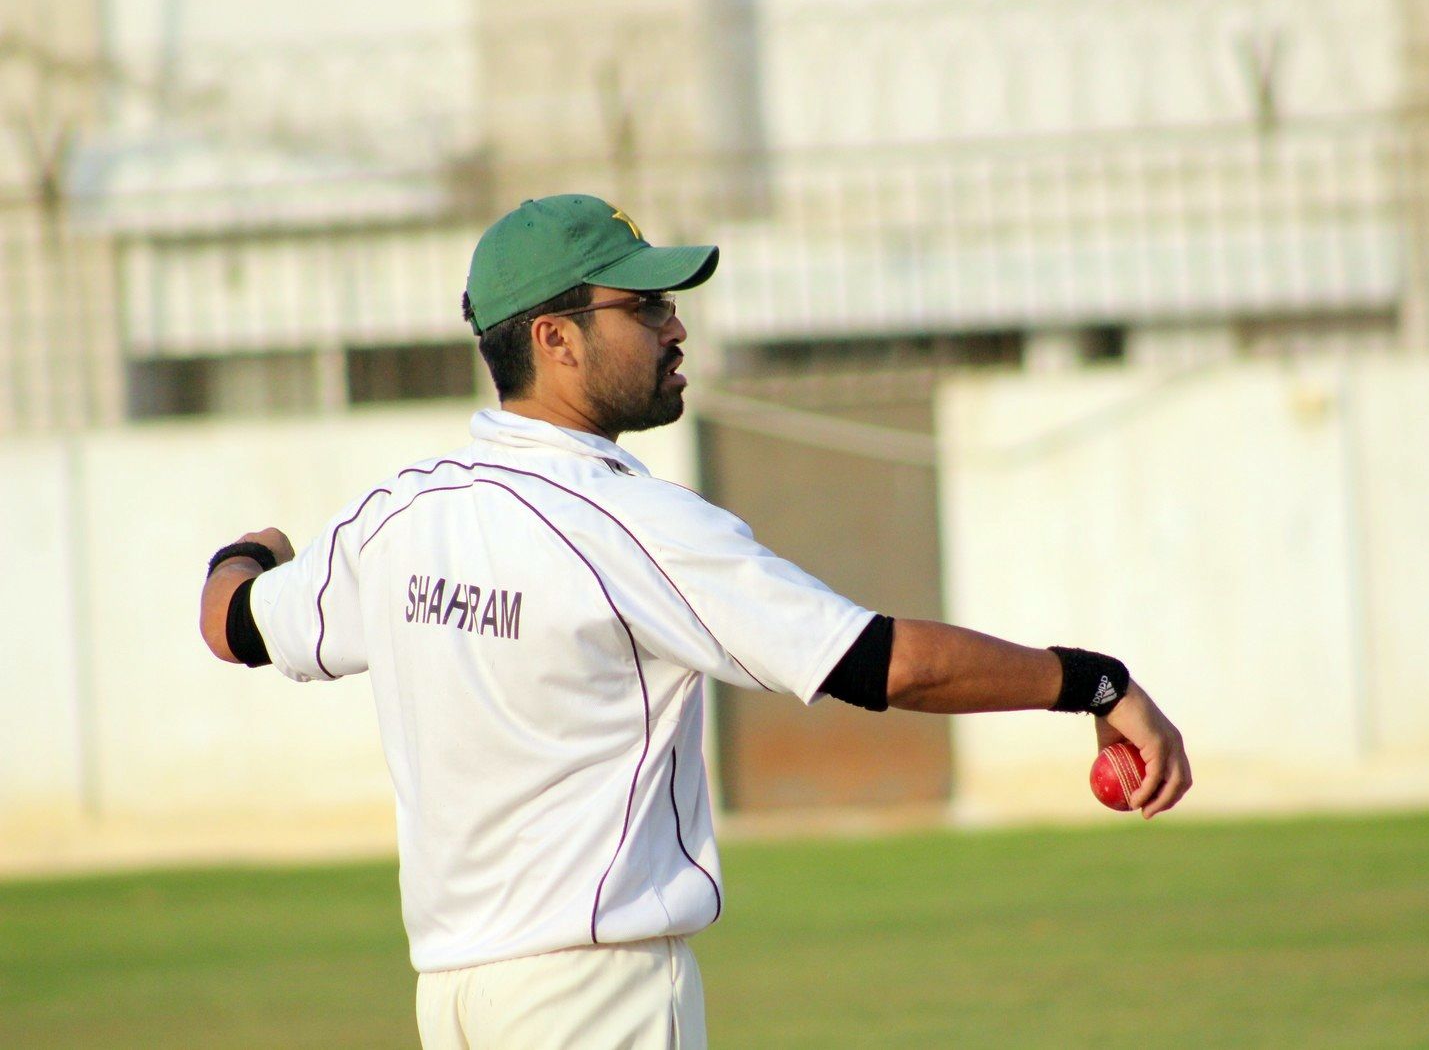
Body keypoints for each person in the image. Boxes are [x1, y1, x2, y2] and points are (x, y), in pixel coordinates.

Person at [198, 193, 1191, 1049]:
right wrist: (1093, 681)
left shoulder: (397, 518)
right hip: (600, 996)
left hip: (456, 1002)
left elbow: (233, 625)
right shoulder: (631, 523)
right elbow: (881, 663)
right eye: (643, 305)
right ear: (553, 337)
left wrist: (247, 552)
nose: (675, 326)